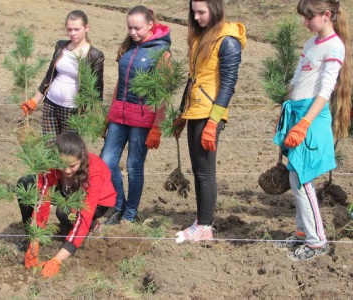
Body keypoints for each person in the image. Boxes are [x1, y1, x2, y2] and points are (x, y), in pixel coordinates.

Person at [273, 0, 351, 261]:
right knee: (296, 175)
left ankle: (317, 242)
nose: (305, 23)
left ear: (326, 15)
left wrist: (305, 123)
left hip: (312, 118)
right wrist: (285, 112)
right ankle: (302, 233)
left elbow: (324, 90)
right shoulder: (310, 45)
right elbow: (297, 80)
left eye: (309, 17)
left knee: (302, 180)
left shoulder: (334, 46)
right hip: (297, 114)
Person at [172, 0, 246, 243]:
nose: (196, 17)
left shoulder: (228, 41)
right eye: (193, 12)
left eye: (201, 12)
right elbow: (193, 79)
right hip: (197, 110)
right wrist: (183, 113)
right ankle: (201, 221)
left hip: (209, 113)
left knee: (205, 172)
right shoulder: (201, 38)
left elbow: (228, 85)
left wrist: (214, 122)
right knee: (199, 170)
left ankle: (204, 226)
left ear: (215, 10)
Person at [100, 6, 171, 224]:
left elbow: (163, 93)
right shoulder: (128, 48)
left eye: (137, 28)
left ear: (150, 25)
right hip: (119, 117)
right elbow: (119, 85)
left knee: (133, 167)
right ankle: (119, 205)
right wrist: (109, 115)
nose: (133, 32)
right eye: (129, 27)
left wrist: (157, 127)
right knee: (107, 162)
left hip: (142, 121)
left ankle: (130, 213)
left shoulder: (162, 53)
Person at [17, 131, 116, 277]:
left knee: (64, 213)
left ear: (81, 158)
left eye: (72, 165)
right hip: (66, 192)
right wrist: (35, 238)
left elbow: (85, 214)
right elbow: (42, 200)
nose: (67, 170)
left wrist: (57, 259)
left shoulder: (92, 170)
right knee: (25, 184)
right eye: (62, 165)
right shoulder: (50, 163)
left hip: (98, 203)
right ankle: (29, 241)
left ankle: (93, 224)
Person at [21, 10, 104, 137]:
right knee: (48, 147)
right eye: (69, 29)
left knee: (67, 152)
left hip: (73, 110)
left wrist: (97, 117)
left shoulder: (95, 55)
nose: (72, 33)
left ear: (86, 28)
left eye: (77, 29)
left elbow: (97, 89)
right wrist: (34, 101)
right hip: (50, 104)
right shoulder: (60, 46)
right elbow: (50, 75)